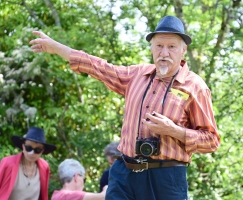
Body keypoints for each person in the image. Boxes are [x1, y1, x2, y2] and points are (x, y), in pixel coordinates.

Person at [30, 15, 220, 199]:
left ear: (183, 50)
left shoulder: (196, 87)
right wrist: (56, 48)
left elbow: (211, 140)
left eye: (171, 47)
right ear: (152, 47)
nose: (164, 53)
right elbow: (99, 67)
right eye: (159, 46)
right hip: (124, 173)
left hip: (166, 178)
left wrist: (174, 131)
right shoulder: (136, 75)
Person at [0, 126, 57, 200]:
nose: (32, 153)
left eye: (37, 150)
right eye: (28, 148)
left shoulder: (44, 167)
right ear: (23, 146)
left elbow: (43, 196)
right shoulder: (8, 163)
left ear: (42, 151)